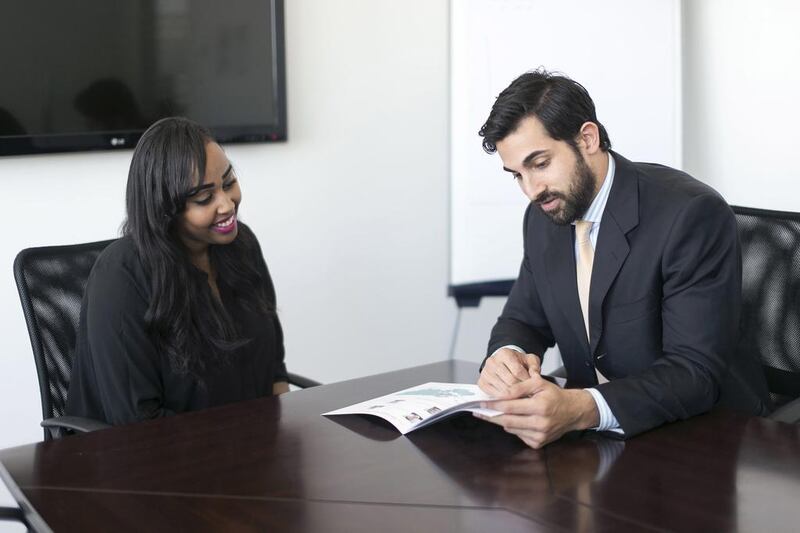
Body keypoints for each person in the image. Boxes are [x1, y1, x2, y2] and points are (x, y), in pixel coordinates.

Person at [473, 69, 771, 449]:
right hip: (601, 437)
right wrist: (506, 356)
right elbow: (523, 318)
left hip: (702, 433)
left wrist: (582, 407)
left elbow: (693, 373)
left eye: (540, 164)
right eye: (516, 174)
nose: (531, 189)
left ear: (587, 138)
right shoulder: (544, 215)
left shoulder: (690, 215)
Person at [66, 117, 289, 426]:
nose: (227, 205)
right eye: (203, 198)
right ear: (164, 209)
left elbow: (274, 370)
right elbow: (137, 420)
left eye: (229, 182)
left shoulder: (243, 245)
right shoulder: (121, 276)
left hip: (248, 449)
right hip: (157, 461)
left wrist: (280, 436)